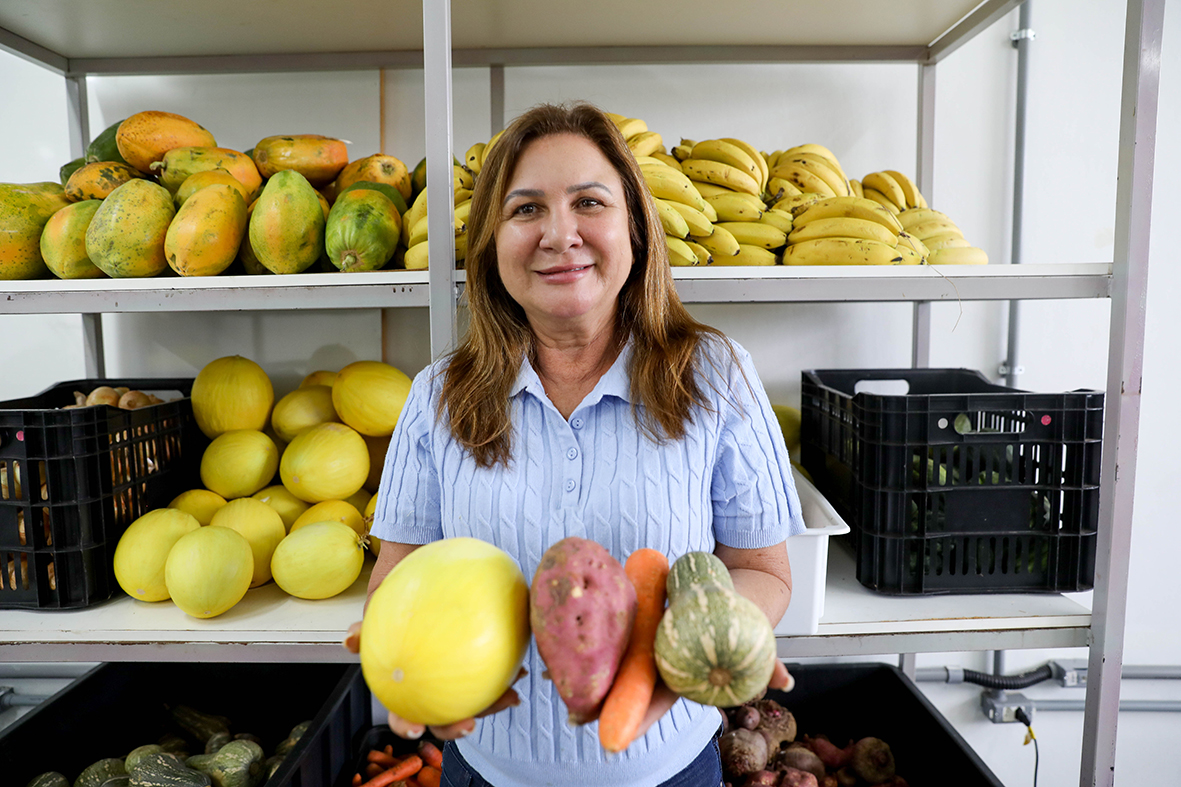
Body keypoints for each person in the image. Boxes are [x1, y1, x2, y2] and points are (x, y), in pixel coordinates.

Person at [345, 101, 805, 787]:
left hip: (670, 770)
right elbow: (397, 579)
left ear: (636, 229)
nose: (560, 234)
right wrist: (407, 669)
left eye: (589, 202)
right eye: (526, 209)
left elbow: (764, 569)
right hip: (484, 772)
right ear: (491, 243)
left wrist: (715, 626)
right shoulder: (438, 394)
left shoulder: (716, 376)